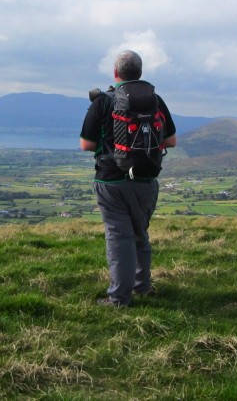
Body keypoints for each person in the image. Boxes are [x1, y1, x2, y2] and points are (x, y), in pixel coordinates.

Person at [79, 50, 177, 307]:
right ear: (140, 73)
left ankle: (119, 299)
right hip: (146, 178)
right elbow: (171, 141)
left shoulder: (103, 101)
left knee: (118, 236)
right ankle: (142, 287)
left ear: (115, 73)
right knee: (139, 233)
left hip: (112, 181)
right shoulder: (155, 100)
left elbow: (87, 144)